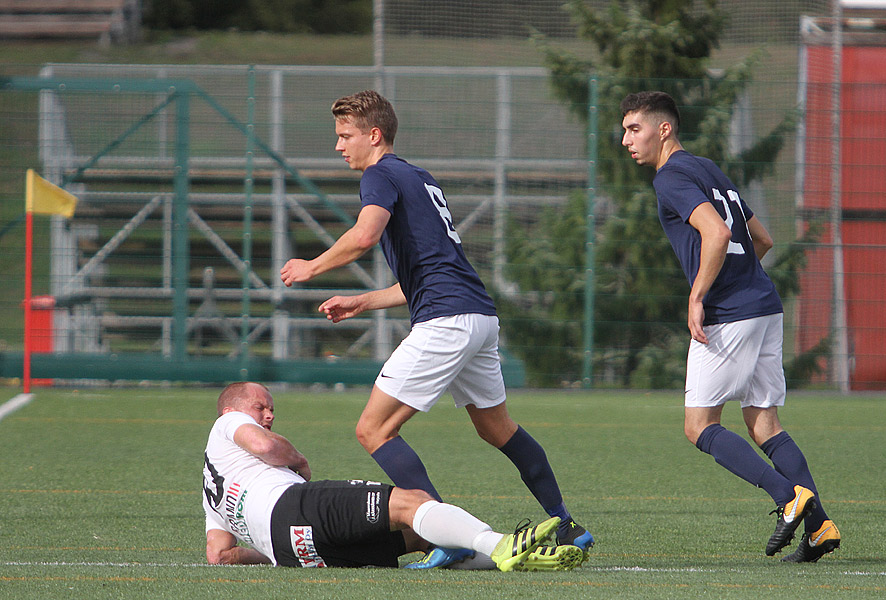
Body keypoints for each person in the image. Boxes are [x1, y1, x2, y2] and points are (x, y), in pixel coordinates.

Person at [279, 90, 593, 568]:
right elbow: (426, 275)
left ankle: (448, 537)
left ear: (374, 135)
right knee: (497, 428)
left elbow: (364, 236)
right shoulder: (418, 177)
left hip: (446, 321)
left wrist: (312, 266)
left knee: (373, 429)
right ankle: (564, 520)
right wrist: (364, 300)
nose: (339, 146)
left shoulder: (379, 174)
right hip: (479, 318)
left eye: (345, 136)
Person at [619, 91, 840, 562]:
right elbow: (762, 238)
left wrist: (699, 296)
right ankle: (819, 527)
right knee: (764, 421)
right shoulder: (708, 168)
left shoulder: (671, 178)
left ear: (664, 129)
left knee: (699, 427)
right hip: (764, 304)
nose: (625, 140)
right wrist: (741, 281)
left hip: (730, 314)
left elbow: (716, 232)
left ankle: (789, 498)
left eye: (634, 128)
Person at [202, 382, 584, 571]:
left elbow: (219, 555)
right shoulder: (227, 424)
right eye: (261, 407)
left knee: (419, 536)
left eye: (271, 409)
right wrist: (299, 460)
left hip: (296, 553)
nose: (269, 415)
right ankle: (503, 545)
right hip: (292, 507)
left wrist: (270, 550)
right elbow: (266, 448)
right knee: (412, 501)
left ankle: (530, 557)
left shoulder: (210, 490)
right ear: (230, 411)